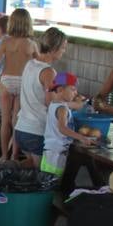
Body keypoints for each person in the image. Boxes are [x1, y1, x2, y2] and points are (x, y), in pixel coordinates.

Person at [0, 8, 36, 160]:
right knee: (16, 121)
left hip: (7, 80)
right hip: (22, 82)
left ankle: (4, 155)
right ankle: (14, 155)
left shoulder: (6, 42)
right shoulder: (31, 44)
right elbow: (41, 65)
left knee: (5, 121)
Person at [11, 27, 68, 166]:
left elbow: (38, 90)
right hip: (36, 132)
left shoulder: (30, 64)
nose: (64, 52)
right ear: (54, 48)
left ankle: (8, 173)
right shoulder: (49, 71)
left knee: (30, 164)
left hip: (21, 130)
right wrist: (70, 103)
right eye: (63, 48)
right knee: (45, 175)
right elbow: (50, 102)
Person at [40, 71, 95, 177]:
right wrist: (81, 137)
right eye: (73, 89)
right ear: (60, 90)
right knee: (54, 181)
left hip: (50, 150)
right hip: (57, 152)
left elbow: (75, 106)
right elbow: (62, 128)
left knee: (47, 180)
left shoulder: (54, 104)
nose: (75, 93)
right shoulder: (62, 108)